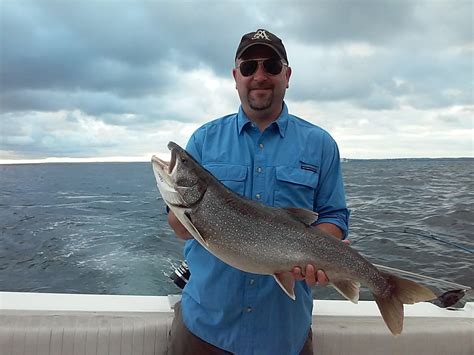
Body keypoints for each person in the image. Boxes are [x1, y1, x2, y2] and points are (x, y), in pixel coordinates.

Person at [167, 29, 349, 355]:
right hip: (205, 330)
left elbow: (334, 217)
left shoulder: (320, 145)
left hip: (283, 334)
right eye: (249, 67)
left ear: (287, 75)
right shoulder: (203, 141)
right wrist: (180, 202)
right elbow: (181, 229)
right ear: (236, 77)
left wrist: (320, 254)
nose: (259, 76)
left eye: (271, 66)